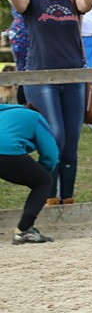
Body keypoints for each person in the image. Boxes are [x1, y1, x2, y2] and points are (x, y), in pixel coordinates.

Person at [5, 0, 92, 206]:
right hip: (41, 78)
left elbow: (89, 0)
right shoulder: (31, 2)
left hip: (73, 78)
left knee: (71, 141)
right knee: (55, 135)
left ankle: (67, 196)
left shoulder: (71, 1)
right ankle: (47, 193)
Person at [0, 101, 60, 243]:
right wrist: (42, 171)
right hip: (6, 150)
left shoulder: (4, 112)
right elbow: (51, 154)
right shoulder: (36, 117)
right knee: (43, 182)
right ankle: (24, 230)